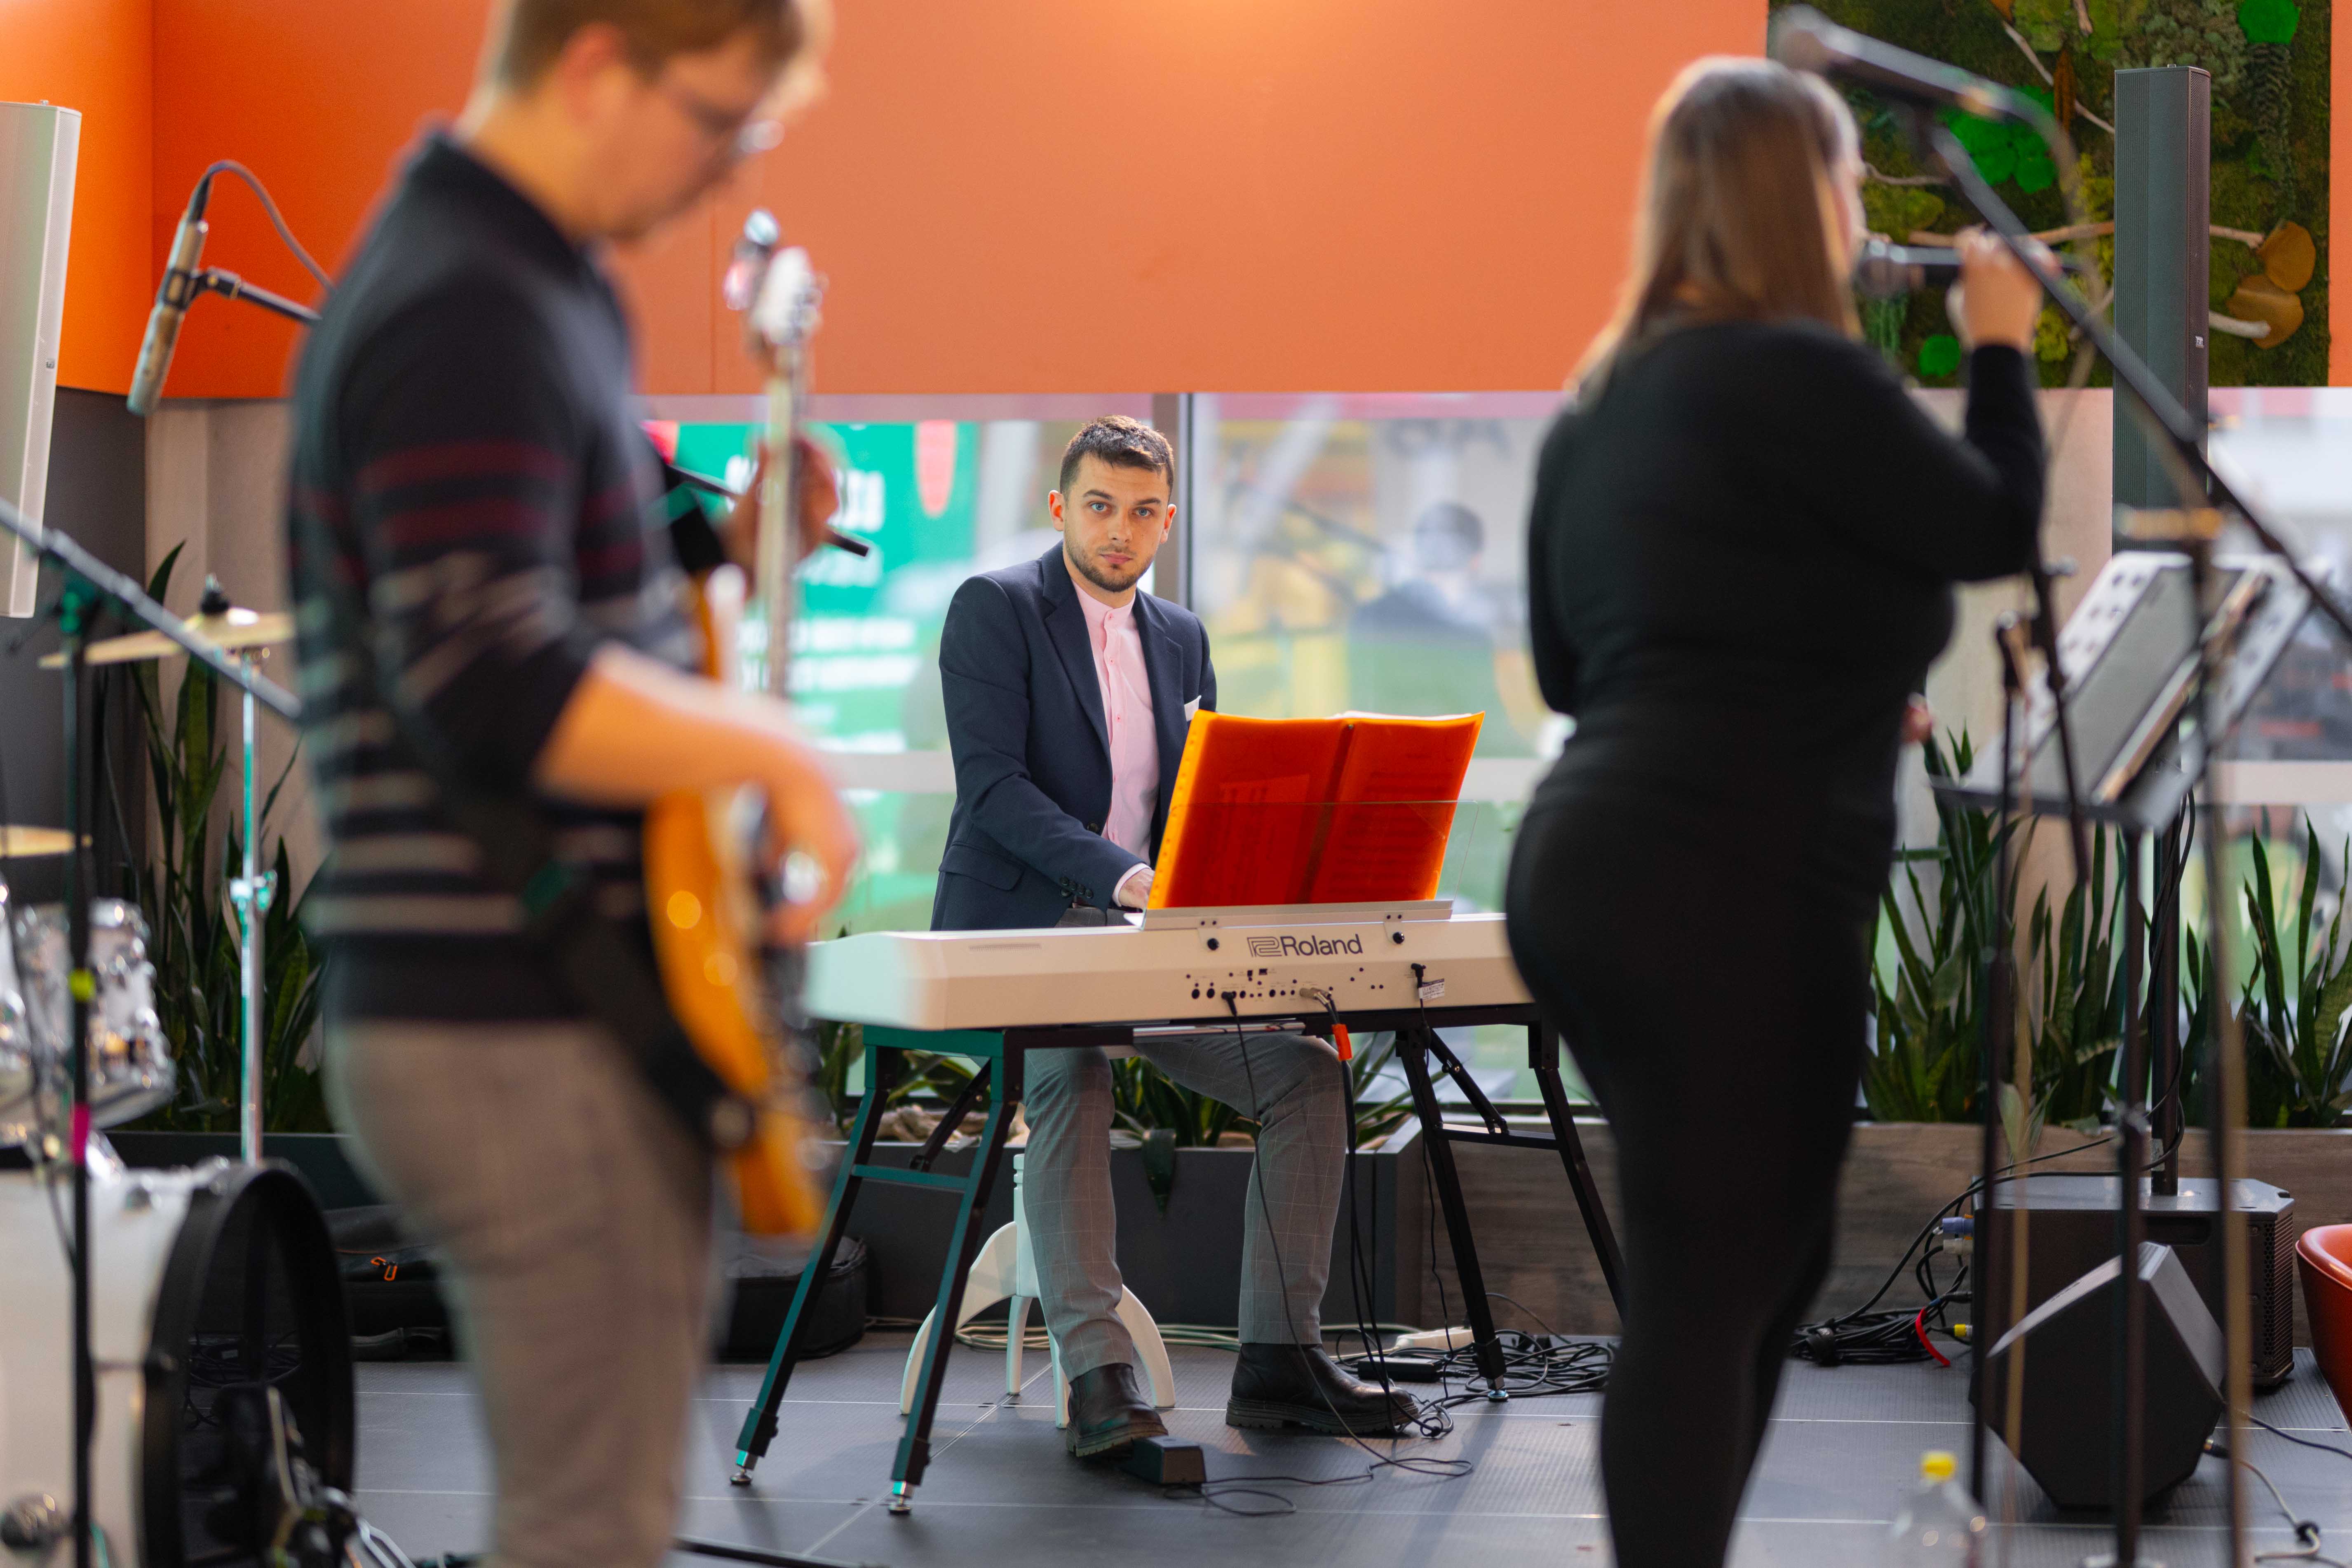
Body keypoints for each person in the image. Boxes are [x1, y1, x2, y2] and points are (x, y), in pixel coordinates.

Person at [282, 5, 857, 1566]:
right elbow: (486, 674)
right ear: (598, 63)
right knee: (589, 1531)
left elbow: (562, 613)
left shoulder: (534, 284)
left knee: (599, 1518)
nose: (723, 171)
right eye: (718, 121)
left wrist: (730, 549)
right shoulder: (471, 299)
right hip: (514, 1016)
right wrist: (775, 751)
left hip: (528, 1002)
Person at [1502, 58, 2046, 1568]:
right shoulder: (1803, 373)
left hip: (1599, 863)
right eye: (1849, 182)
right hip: (1719, 878)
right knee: (1709, 1281)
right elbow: (1991, 519)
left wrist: (1835, 683)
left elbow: (1580, 664)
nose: (1862, 210)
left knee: (1760, 1263)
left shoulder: (1603, 402)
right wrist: (2000, 344)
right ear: (1798, 199)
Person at [933, 415, 1416, 1458]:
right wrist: (1125, 875)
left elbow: (1203, 798)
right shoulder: (995, 608)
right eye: (1100, 506)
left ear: (1168, 521)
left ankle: (1280, 1358)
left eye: (1143, 511)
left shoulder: (1183, 636)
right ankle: (1098, 1377)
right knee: (1072, 1072)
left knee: (1306, 1077)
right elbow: (994, 791)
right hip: (1020, 940)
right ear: (1060, 508)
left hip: (1143, 946)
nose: (1120, 529)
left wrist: (1245, 894)